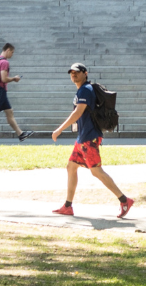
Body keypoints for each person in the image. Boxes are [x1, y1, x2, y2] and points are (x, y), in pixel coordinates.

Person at [51, 62, 132, 219]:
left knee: (96, 171)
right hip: (83, 138)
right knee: (71, 167)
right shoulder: (82, 90)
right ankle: (68, 206)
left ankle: (124, 200)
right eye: (71, 72)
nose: (73, 74)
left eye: (77, 72)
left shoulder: (86, 90)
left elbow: (78, 112)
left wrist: (59, 129)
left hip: (89, 138)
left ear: (85, 73)